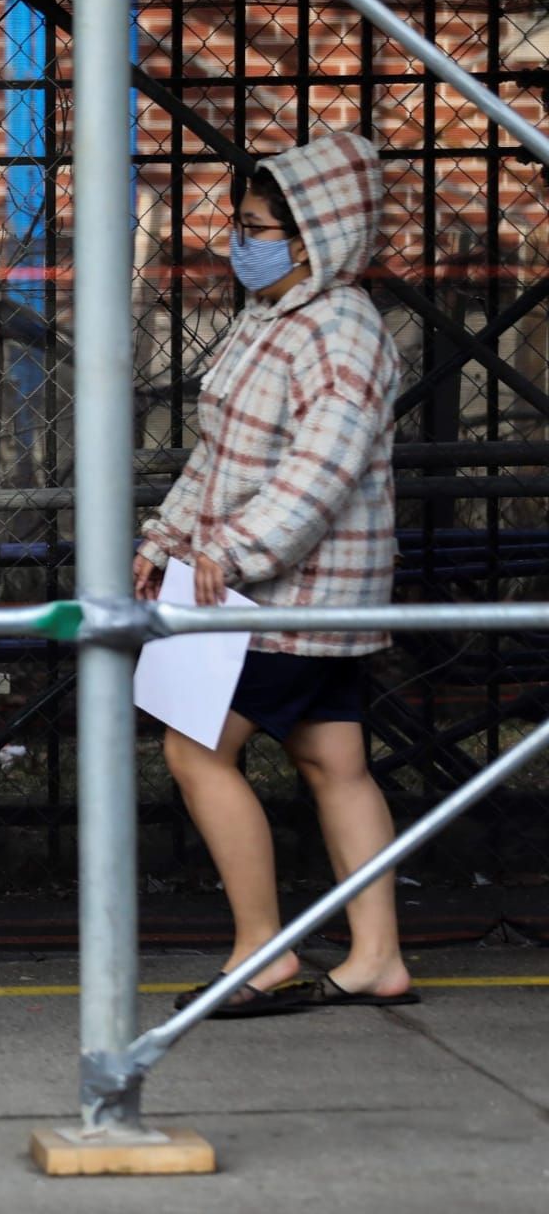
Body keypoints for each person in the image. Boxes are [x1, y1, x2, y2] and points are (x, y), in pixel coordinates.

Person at [136, 131, 417, 1017]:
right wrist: (167, 534)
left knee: (196, 748)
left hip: (287, 593)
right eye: (242, 222)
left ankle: (265, 949)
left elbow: (316, 474)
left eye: (257, 226)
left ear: (313, 237)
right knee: (333, 758)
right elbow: (222, 456)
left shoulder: (339, 335)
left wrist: (230, 551)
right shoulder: (278, 319)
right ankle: (376, 955)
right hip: (287, 588)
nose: (239, 239)